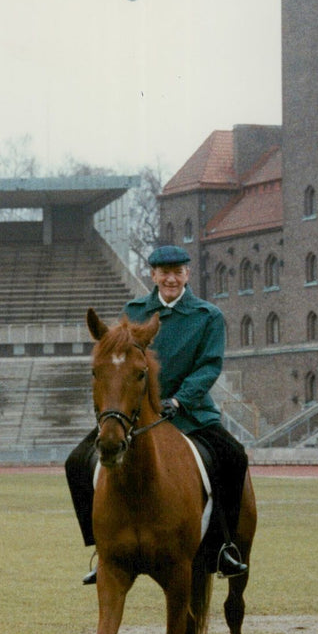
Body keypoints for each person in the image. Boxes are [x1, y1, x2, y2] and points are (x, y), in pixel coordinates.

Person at [65, 244, 250, 582]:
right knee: (76, 462)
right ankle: (100, 549)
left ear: (187, 275)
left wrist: (180, 400)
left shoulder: (208, 316)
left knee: (234, 457)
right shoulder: (133, 311)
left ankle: (224, 547)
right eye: (164, 272)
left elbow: (209, 367)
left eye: (178, 272)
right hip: (135, 417)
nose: (171, 278)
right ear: (153, 275)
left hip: (190, 414)